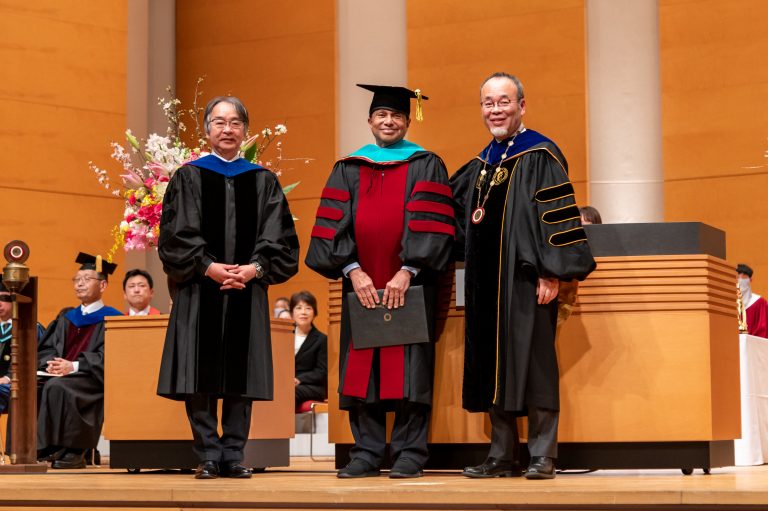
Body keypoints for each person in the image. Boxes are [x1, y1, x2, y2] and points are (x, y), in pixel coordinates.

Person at [450, 72, 596, 480]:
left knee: (535, 363)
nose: (495, 110)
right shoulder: (482, 163)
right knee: (492, 364)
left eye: (503, 101)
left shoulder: (541, 154)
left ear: (522, 106)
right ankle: (500, 455)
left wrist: (552, 271)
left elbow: (557, 217)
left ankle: (542, 454)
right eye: (488, 103)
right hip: (485, 283)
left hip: (528, 280)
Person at [306, 84, 454, 479]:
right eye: (381, 115)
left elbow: (435, 227)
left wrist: (408, 270)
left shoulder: (427, 164)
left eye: (397, 116)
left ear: (407, 121)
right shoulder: (348, 167)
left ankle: (410, 452)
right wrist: (353, 271)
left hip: (412, 285)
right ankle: (366, 452)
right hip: (363, 285)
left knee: (411, 370)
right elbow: (331, 227)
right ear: (369, 120)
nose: (389, 121)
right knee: (362, 367)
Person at [157, 95, 299, 480]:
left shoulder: (263, 180)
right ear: (206, 130)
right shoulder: (187, 177)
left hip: (247, 289)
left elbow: (279, 237)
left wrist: (255, 269)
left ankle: (233, 454)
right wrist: (208, 267)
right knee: (199, 375)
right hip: (199, 288)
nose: (227, 129)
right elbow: (174, 236)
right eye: (219, 122)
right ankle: (207, 454)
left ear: (245, 131)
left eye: (235, 122)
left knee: (242, 376)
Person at [36, 253, 122, 469]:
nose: (79, 284)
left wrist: (73, 366)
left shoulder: (113, 319)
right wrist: (52, 364)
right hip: (62, 376)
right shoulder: (66, 318)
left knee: (58, 387)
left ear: (102, 285)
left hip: (92, 378)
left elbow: (111, 357)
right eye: (77, 279)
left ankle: (74, 451)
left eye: (86, 279)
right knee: (32, 388)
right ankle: (38, 448)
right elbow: (45, 348)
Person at [290, 290, 328, 407]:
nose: (303, 312)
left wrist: (299, 379)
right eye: (299, 308)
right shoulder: (285, 335)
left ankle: (285, 425)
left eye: (308, 308)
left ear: (314, 312)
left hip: (312, 386)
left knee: (289, 393)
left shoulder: (321, 339)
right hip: (288, 383)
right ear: (292, 312)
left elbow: (321, 371)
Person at [737, 264, 768, 338]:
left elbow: (764, 330)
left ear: (750, 280)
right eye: (738, 277)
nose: (740, 280)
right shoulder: (728, 303)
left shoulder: (759, 302)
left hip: (754, 345)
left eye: (744, 277)